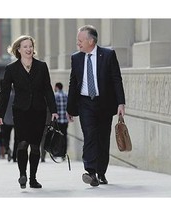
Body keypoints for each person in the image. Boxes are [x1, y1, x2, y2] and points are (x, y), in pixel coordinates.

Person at [0, 35, 58, 189]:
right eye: (25, 47)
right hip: (21, 112)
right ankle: (22, 175)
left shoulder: (41, 66)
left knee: (35, 146)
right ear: (18, 49)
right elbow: (4, 93)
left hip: (38, 110)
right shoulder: (11, 69)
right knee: (22, 144)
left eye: (30, 46)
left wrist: (54, 110)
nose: (29, 49)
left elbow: (48, 89)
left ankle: (33, 178)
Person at [66, 25, 126, 187]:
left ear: (91, 41)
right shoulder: (76, 58)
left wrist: (121, 103)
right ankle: (91, 172)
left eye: (80, 40)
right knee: (90, 136)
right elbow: (73, 83)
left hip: (105, 103)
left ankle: (101, 172)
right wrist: (70, 108)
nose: (78, 43)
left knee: (102, 138)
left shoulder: (108, 55)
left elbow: (116, 79)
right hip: (85, 103)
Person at [1, 85, 17, 162]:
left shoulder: (6, 96)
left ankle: (7, 149)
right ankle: (14, 156)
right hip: (16, 120)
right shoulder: (18, 96)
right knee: (17, 138)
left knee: (6, 137)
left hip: (6, 120)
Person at [54, 82, 68, 159]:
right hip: (65, 120)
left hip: (58, 120)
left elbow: (54, 107)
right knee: (64, 137)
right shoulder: (66, 95)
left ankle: (56, 153)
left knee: (56, 136)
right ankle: (63, 154)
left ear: (57, 87)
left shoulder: (55, 95)